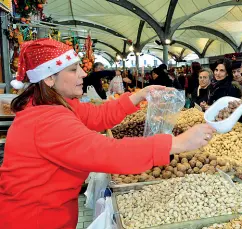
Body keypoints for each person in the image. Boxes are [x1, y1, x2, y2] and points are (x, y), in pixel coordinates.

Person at [0, 38, 215, 229]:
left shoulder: (56, 105)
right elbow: (107, 152)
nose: (84, 74)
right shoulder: (46, 120)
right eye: (73, 70)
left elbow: (98, 116)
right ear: (48, 79)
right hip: (34, 219)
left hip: (49, 212)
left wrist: (141, 94)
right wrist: (176, 143)